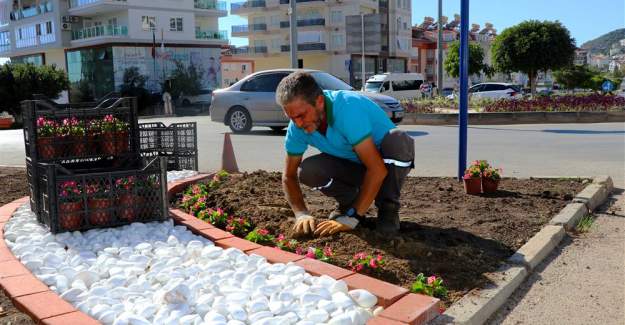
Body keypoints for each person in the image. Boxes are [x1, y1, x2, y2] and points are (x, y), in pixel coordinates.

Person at [276, 71, 415, 237]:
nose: (298, 123)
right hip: (358, 169)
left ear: (319, 101)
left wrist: (352, 218)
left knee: (397, 140)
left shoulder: (348, 109)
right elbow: (288, 176)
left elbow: (377, 169)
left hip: (385, 166)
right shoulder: (297, 128)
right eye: (291, 118)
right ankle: (349, 204)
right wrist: (301, 214)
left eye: (301, 115)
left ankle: (388, 207)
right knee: (308, 170)